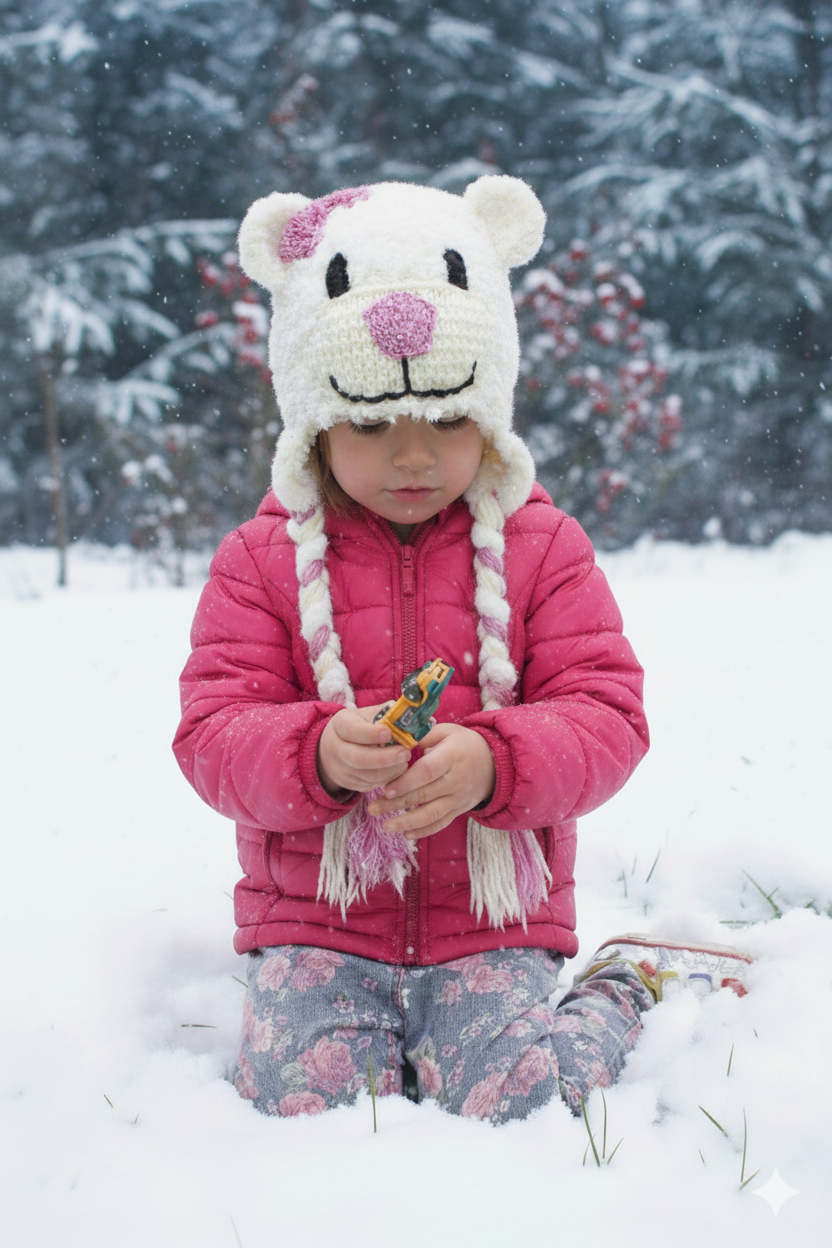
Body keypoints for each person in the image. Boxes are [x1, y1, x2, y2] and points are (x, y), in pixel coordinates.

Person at [173, 176, 751, 1122]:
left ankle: (623, 984)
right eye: (370, 425)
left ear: (489, 408)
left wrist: (498, 758)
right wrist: (313, 753)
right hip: (321, 922)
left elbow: (607, 714)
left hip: (492, 922)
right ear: (313, 422)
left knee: (520, 1101)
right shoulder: (259, 562)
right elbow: (212, 734)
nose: (413, 457)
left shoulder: (544, 548)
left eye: (446, 422)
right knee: (301, 1102)